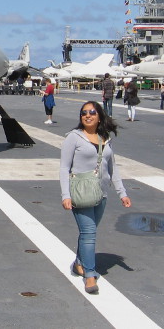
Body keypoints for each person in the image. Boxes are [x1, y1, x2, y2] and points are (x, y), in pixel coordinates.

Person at [59, 101, 131, 294]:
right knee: (89, 233)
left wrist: (122, 193)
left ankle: (79, 263)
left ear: (99, 115)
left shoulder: (104, 138)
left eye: (92, 112)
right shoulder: (73, 138)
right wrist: (65, 195)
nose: (87, 115)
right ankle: (90, 275)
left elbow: (112, 168)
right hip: (80, 192)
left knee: (87, 233)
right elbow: (64, 168)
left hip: (101, 194)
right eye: (84, 113)